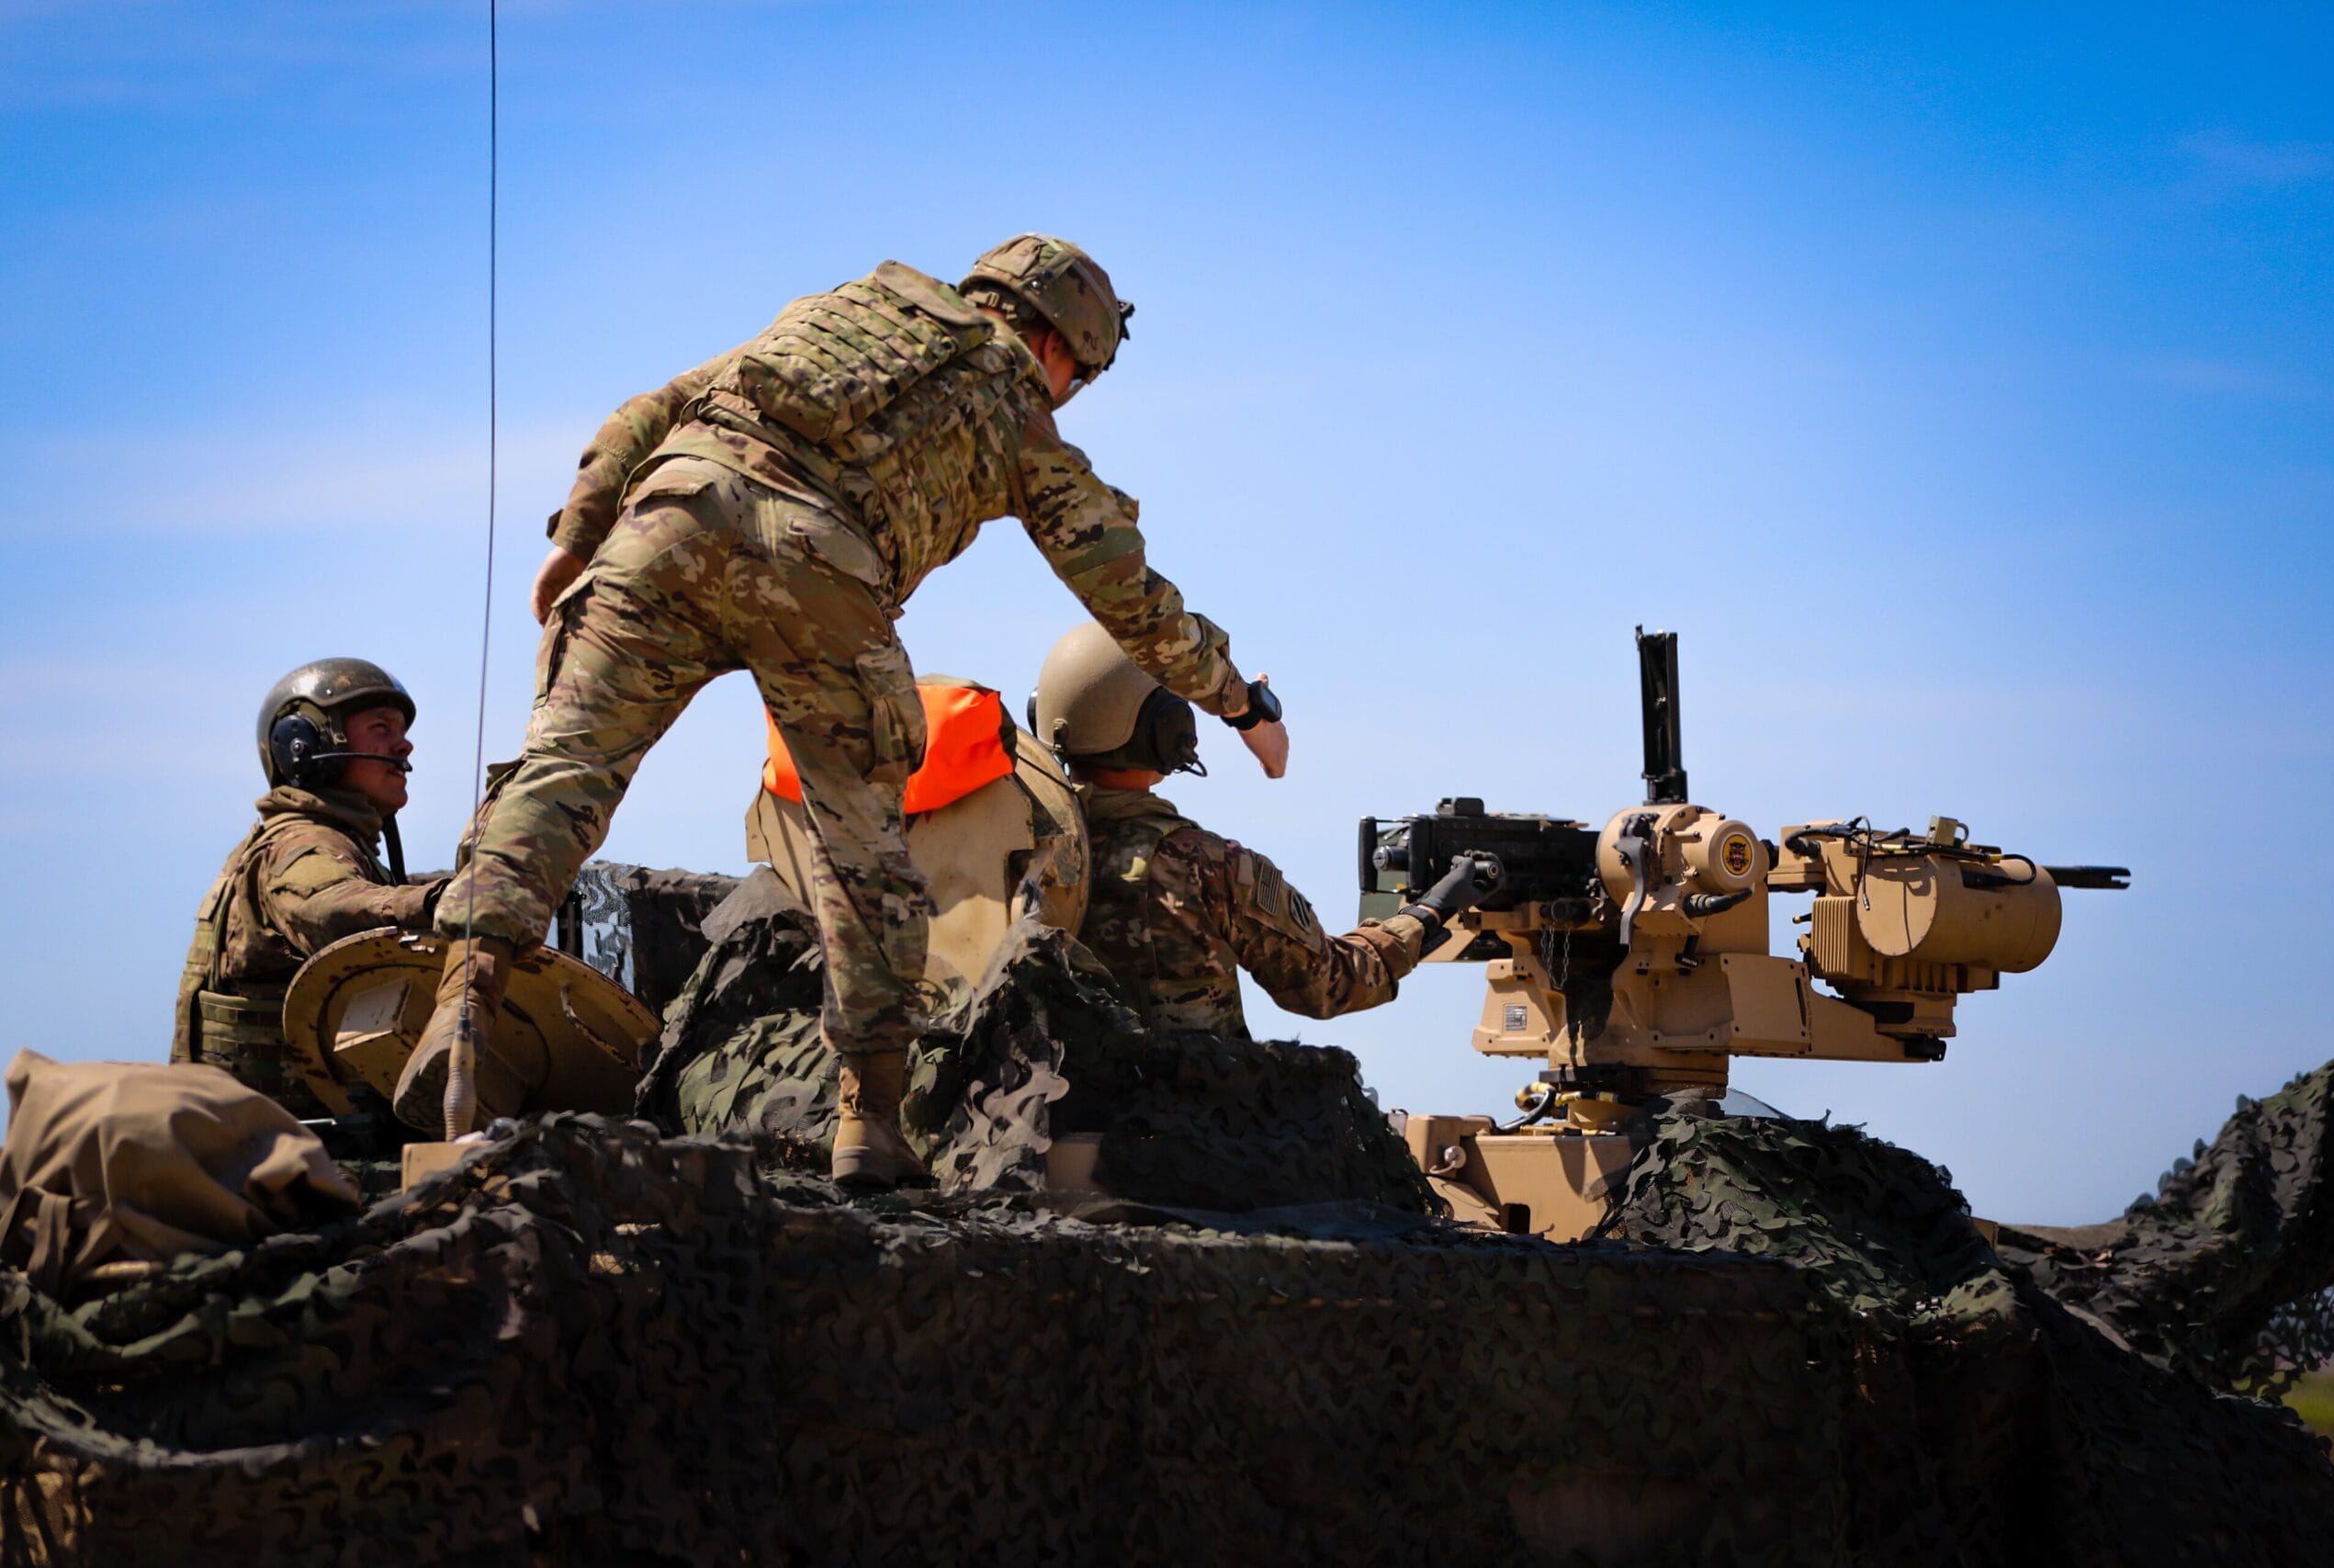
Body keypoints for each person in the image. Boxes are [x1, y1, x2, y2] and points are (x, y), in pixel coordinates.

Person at [402, 235, 1286, 1190]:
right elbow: (1128, 596)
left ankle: (459, 1040)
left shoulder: (837, 311)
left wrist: (579, 533)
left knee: (559, 778)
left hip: (665, 517)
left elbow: (650, 409)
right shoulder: (1017, 412)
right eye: (1082, 374)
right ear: (1062, 342)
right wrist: (1241, 703)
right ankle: (870, 1124)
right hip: (816, 568)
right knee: (860, 850)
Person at [1032, 622, 1495, 1038]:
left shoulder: (1024, 846)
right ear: (1167, 729)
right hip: (1181, 1122)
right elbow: (1331, 983)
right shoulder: (1202, 864)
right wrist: (1432, 910)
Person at [174, 660, 445, 1118]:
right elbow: (329, 906)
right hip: (272, 1151)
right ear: (306, 745)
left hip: (280, 1137)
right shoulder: (301, 844)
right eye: (380, 728)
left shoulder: (333, 842)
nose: (404, 744)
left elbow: (381, 888)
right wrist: (441, 904)